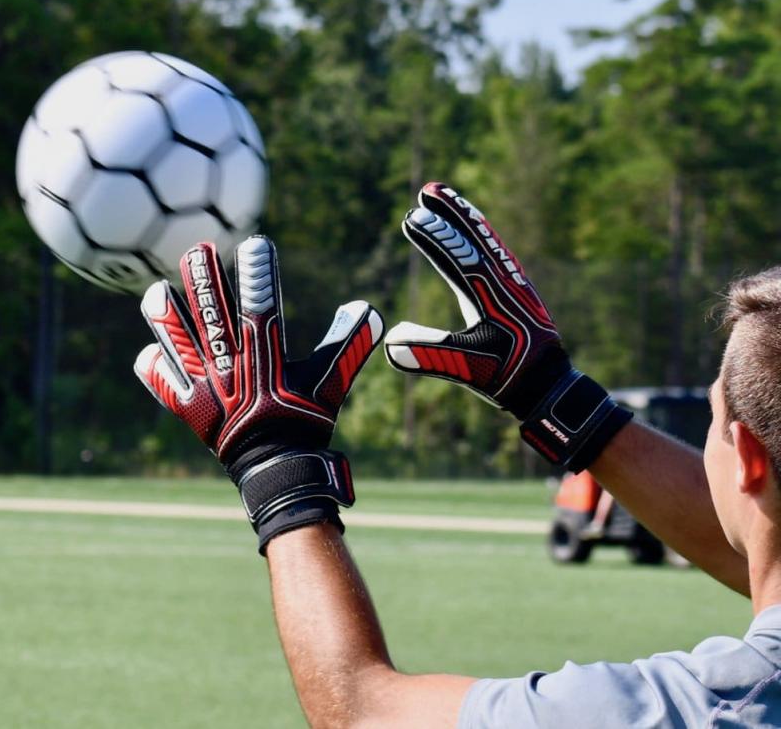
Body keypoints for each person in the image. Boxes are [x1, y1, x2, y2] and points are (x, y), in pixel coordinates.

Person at [134, 182, 780, 728]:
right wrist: (557, 398)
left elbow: (362, 709)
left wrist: (272, 464)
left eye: (715, 420)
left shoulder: (704, 709)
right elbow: (757, 543)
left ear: (747, 458)